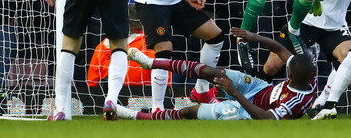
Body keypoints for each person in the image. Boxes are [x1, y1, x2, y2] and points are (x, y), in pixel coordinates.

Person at [115, 27, 316, 120]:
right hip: (259, 88)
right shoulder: (308, 76)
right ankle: (151, 62)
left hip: (249, 111)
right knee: (213, 73)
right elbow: (280, 50)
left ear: (291, 76)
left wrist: (235, 94)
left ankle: (136, 116)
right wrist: (253, 36)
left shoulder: (295, 101)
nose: (287, 62)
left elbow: (267, 119)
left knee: (190, 112)